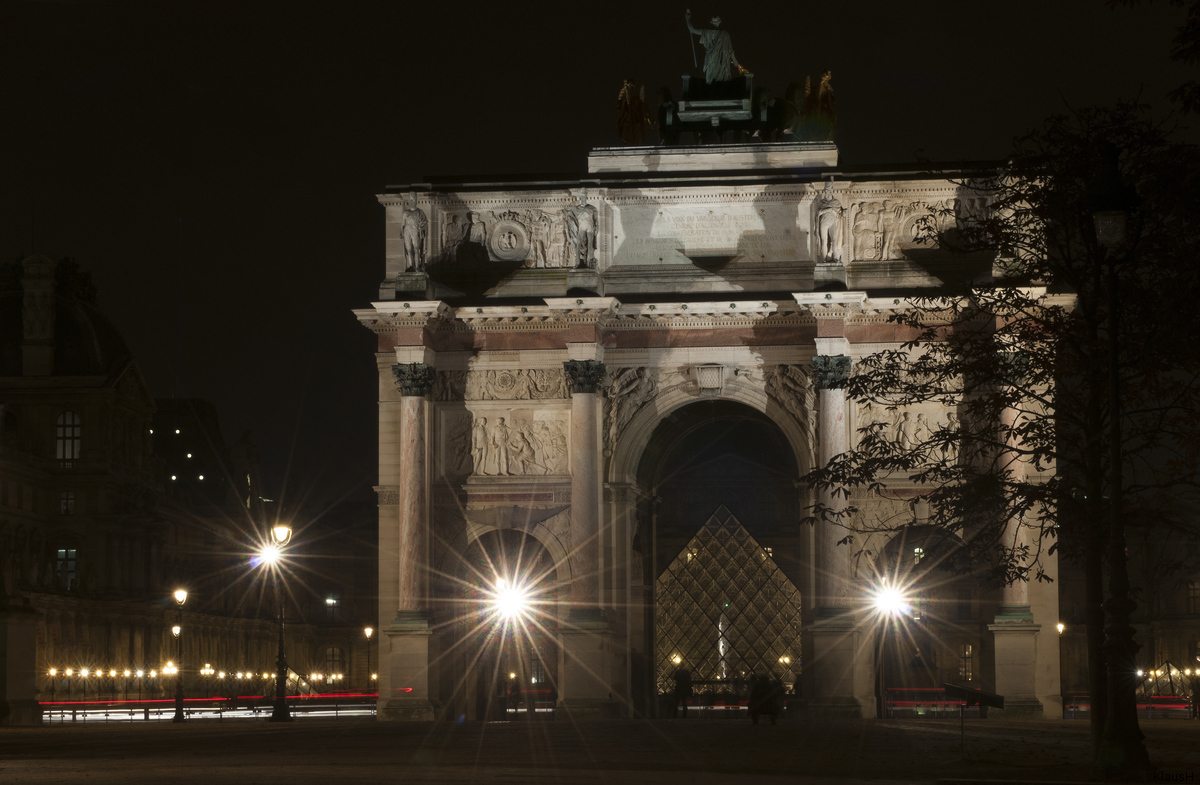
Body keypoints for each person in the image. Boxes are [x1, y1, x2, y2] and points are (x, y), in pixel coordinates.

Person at [685, 11, 739, 84]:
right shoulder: (711, 32)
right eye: (714, 21)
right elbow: (692, 30)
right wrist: (687, 19)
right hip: (714, 60)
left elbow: (729, 50)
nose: (716, 22)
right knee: (712, 81)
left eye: (716, 21)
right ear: (712, 22)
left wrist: (735, 60)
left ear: (718, 22)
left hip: (718, 60)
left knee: (716, 81)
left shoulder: (724, 34)